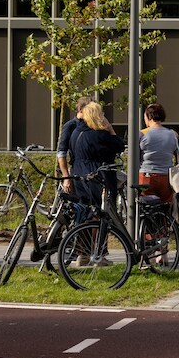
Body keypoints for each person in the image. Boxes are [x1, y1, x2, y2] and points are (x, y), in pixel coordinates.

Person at [71, 102, 125, 267]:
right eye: (101, 114)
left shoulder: (76, 132)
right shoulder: (100, 135)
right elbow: (119, 146)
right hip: (98, 176)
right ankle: (99, 254)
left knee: (85, 215)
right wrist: (111, 129)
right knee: (102, 215)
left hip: (79, 176)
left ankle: (83, 254)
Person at [138, 103, 179, 205]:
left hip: (146, 176)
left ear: (149, 116)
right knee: (166, 206)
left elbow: (134, 159)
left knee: (144, 206)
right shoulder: (174, 134)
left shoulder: (141, 134)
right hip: (166, 178)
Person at [56, 97, 92, 195]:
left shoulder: (92, 125)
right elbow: (61, 152)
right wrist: (66, 177)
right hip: (76, 171)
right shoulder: (70, 126)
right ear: (80, 109)